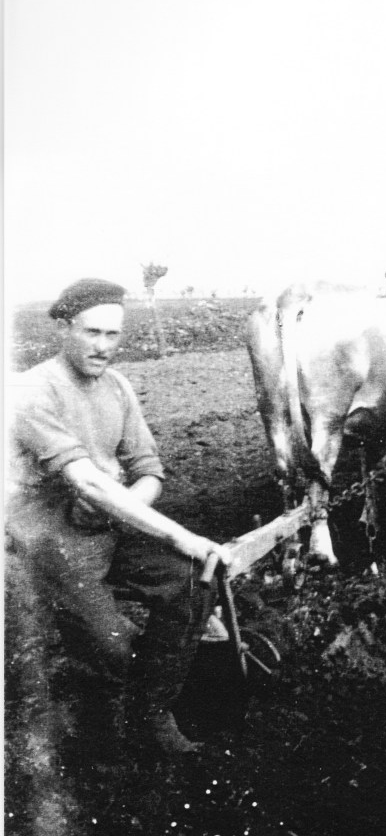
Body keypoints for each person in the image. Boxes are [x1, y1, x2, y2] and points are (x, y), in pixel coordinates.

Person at [6, 278, 231, 757]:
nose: (103, 346)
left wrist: (122, 505)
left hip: (110, 521)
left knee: (194, 582)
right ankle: (99, 734)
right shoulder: (28, 391)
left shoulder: (118, 387)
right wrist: (179, 533)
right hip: (50, 532)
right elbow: (84, 481)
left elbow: (149, 472)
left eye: (112, 335)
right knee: (110, 651)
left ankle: (152, 713)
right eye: (91, 333)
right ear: (64, 328)